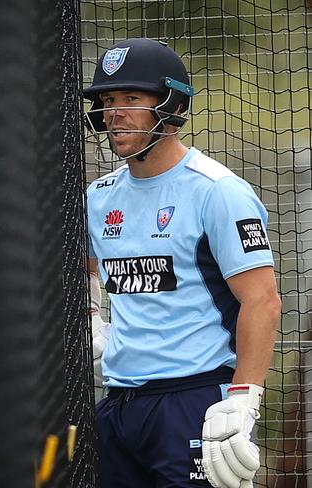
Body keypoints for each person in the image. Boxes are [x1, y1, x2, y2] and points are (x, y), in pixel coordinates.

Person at [83, 38, 281, 488]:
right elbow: (86, 267)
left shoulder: (217, 191)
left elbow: (262, 301)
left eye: (132, 98)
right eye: (108, 101)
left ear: (170, 104)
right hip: (118, 404)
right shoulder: (97, 196)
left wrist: (242, 401)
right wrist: (94, 317)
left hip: (195, 401)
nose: (115, 112)